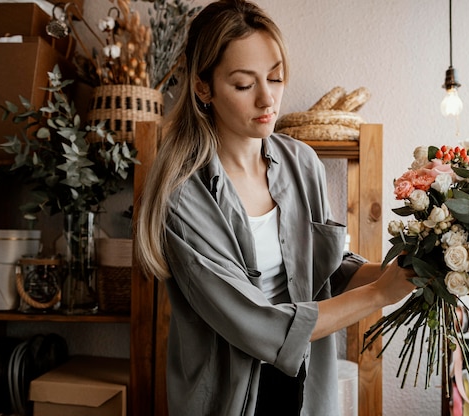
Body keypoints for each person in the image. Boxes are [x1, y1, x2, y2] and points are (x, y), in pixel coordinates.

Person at [135, 1, 416, 415]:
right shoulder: (183, 196)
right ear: (203, 87)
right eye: (244, 85)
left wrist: (403, 269)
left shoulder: (302, 163)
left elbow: (327, 270)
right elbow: (262, 327)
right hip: (230, 395)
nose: (268, 99)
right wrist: (379, 293)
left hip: (305, 379)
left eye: (276, 77)